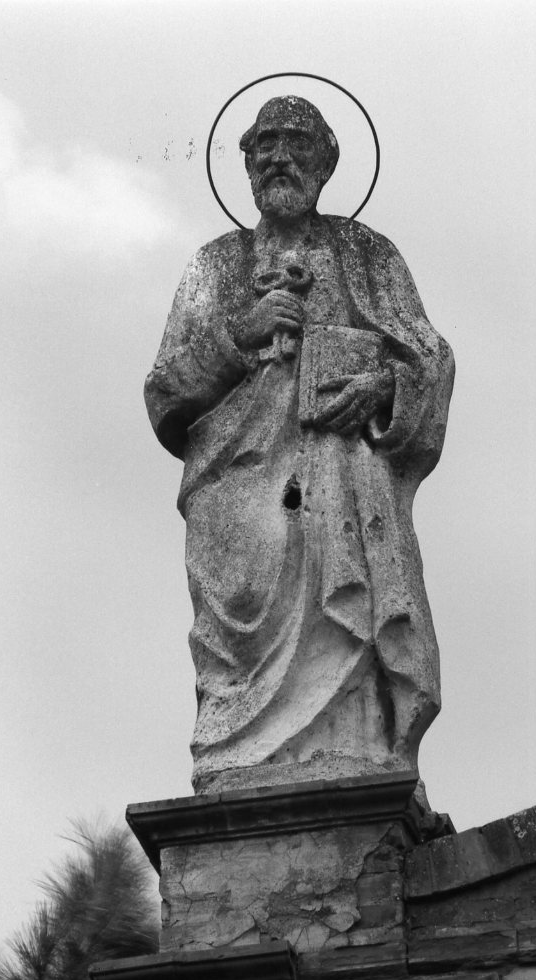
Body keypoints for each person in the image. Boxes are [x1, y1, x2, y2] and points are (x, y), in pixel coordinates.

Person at [145, 96, 454, 795]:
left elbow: (428, 362)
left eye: (296, 143)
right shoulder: (215, 266)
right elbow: (164, 393)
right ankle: (238, 760)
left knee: (345, 625)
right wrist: (239, 335)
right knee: (237, 626)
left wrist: (380, 389)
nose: (279, 157)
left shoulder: (365, 255)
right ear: (247, 163)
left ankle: (358, 752)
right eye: (266, 145)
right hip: (236, 491)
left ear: (326, 160)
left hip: (341, 481)